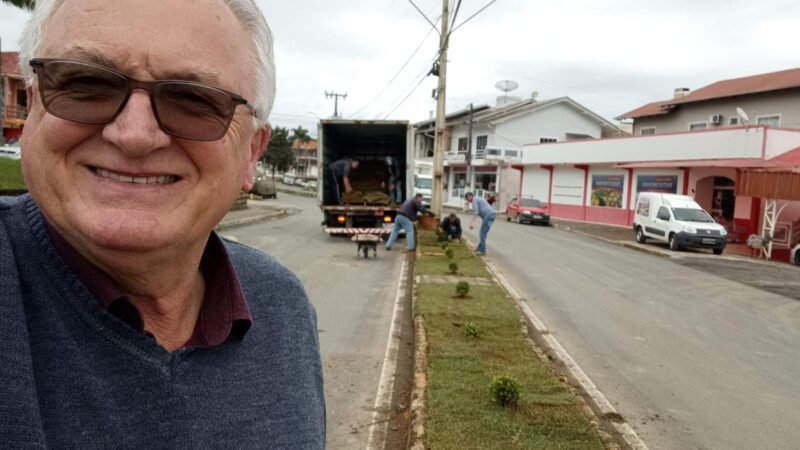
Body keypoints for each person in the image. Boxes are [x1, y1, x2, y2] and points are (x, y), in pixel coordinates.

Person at [0, 0, 325, 448]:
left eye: (193, 100)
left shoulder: (282, 308)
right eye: (85, 84)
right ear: (34, 107)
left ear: (252, 151)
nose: (134, 135)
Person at [465, 191, 496, 256]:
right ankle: (480, 247)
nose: (467, 201)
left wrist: (471, 222)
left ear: (470, 196)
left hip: (489, 215)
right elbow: (480, 211)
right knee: (483, 232)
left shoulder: (474, 200)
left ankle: (482, 250)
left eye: (467, 199)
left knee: (482, 233)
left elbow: (476, 212)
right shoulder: (477, 198)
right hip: (491, 215)